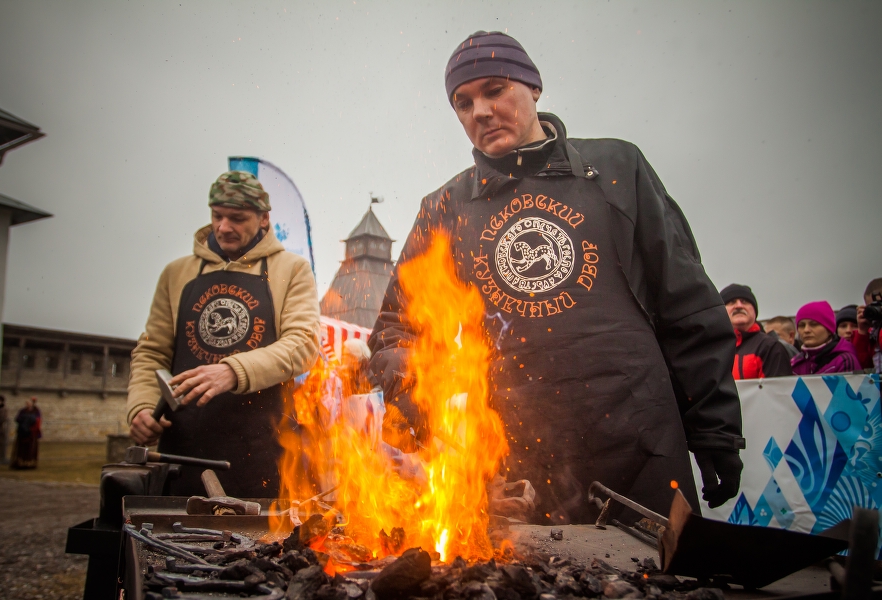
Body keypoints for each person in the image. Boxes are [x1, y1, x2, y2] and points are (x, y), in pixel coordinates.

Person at [369, 31, 745, 524]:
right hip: (517, 461)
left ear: (534, 87)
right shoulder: (445, 207)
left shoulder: (617, 167)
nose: (479, 111)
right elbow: (397, 328)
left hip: (642, 443)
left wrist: (714, 428)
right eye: (462, 102)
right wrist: (419, 408)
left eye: (495, 89)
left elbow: (686, 304)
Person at [127, 171, 321, 497]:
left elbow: (302, 344)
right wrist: (142, 406)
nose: (223, 227)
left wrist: (232, 371)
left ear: (263, 219)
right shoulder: (177, 274)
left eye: (237, 218)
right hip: (182, 449)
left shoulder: (291, 269)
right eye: (217, 216)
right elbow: (152, 352)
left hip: (263, 451)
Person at [720, 284, 793, 379]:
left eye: (745, 301)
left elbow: (778, 391)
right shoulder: (713, 348)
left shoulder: (770, 347)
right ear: (720, 311)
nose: (738, 306)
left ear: (755, 311)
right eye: (731, 302)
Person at [791, 301, 861, 375]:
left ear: (829, 329)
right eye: (802, 325)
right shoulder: (795, 363)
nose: (806, 330)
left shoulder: (845, 361)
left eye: (814, 324)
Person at [853, 278, 882, 373]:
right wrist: (862, 332)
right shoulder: (873, 333)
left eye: (880, 305)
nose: (878, 310)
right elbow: (862, 368)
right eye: (873, 307)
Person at [11, 397, 41, 469]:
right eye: (26, 403)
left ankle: (29, 463)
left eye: (29, 403)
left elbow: (38, 421)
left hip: (31, 433)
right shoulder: (23, 411)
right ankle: (20, 463)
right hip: (22, 433)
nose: (27, 404)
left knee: (30, 449)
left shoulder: (36, 411)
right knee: (21, 449)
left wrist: (31, 428)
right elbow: (17, 419)